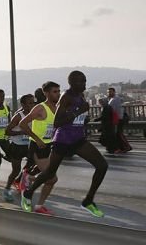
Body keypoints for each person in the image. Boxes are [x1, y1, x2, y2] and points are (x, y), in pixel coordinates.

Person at [22, 71, 109, 218]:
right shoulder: (66, 96)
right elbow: (58, 122)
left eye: (85, 81)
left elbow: (77, 118)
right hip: (62, 140)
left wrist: (83, 118)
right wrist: (78, 111)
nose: (84, 84)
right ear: (72, 83)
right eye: (81, 82)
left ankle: (88, 201)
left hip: (78, 139)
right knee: (49, 172)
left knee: (102, 166)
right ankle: (28, 193)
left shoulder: (80, 96)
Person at [17, 81, 61, 215]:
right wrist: (37, 139)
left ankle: (39, 204)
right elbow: (22, 124)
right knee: (52, 179)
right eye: (55, 92)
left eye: (59, 91)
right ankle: (27, 193)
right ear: (46, 93)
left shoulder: (58, 107)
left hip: (50, 145)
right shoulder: (40, 108)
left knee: (49, 179)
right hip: (38, 146)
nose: (58, 94)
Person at [2, 94, 35, 202]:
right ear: (23, 104)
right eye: (29, 103)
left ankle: (20, 181)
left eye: (33, 103)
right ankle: (7, 189)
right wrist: (21, 132)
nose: (32, 105)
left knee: (32, 165)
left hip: (29, 145)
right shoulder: (18, 116)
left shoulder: (35, 115)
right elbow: (7, 131)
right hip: (17, 146)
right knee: (15, 170)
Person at [108, 87, 132, 153]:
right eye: (108, 92)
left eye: (110, 92)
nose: (109, 93)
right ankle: (122, 147)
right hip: (117, 118)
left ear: (114, 92)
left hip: (118, 118)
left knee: (119, 133)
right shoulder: (113, 99)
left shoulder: (115, 99)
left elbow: (113, 109)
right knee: (118, 133)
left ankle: (126, 146)